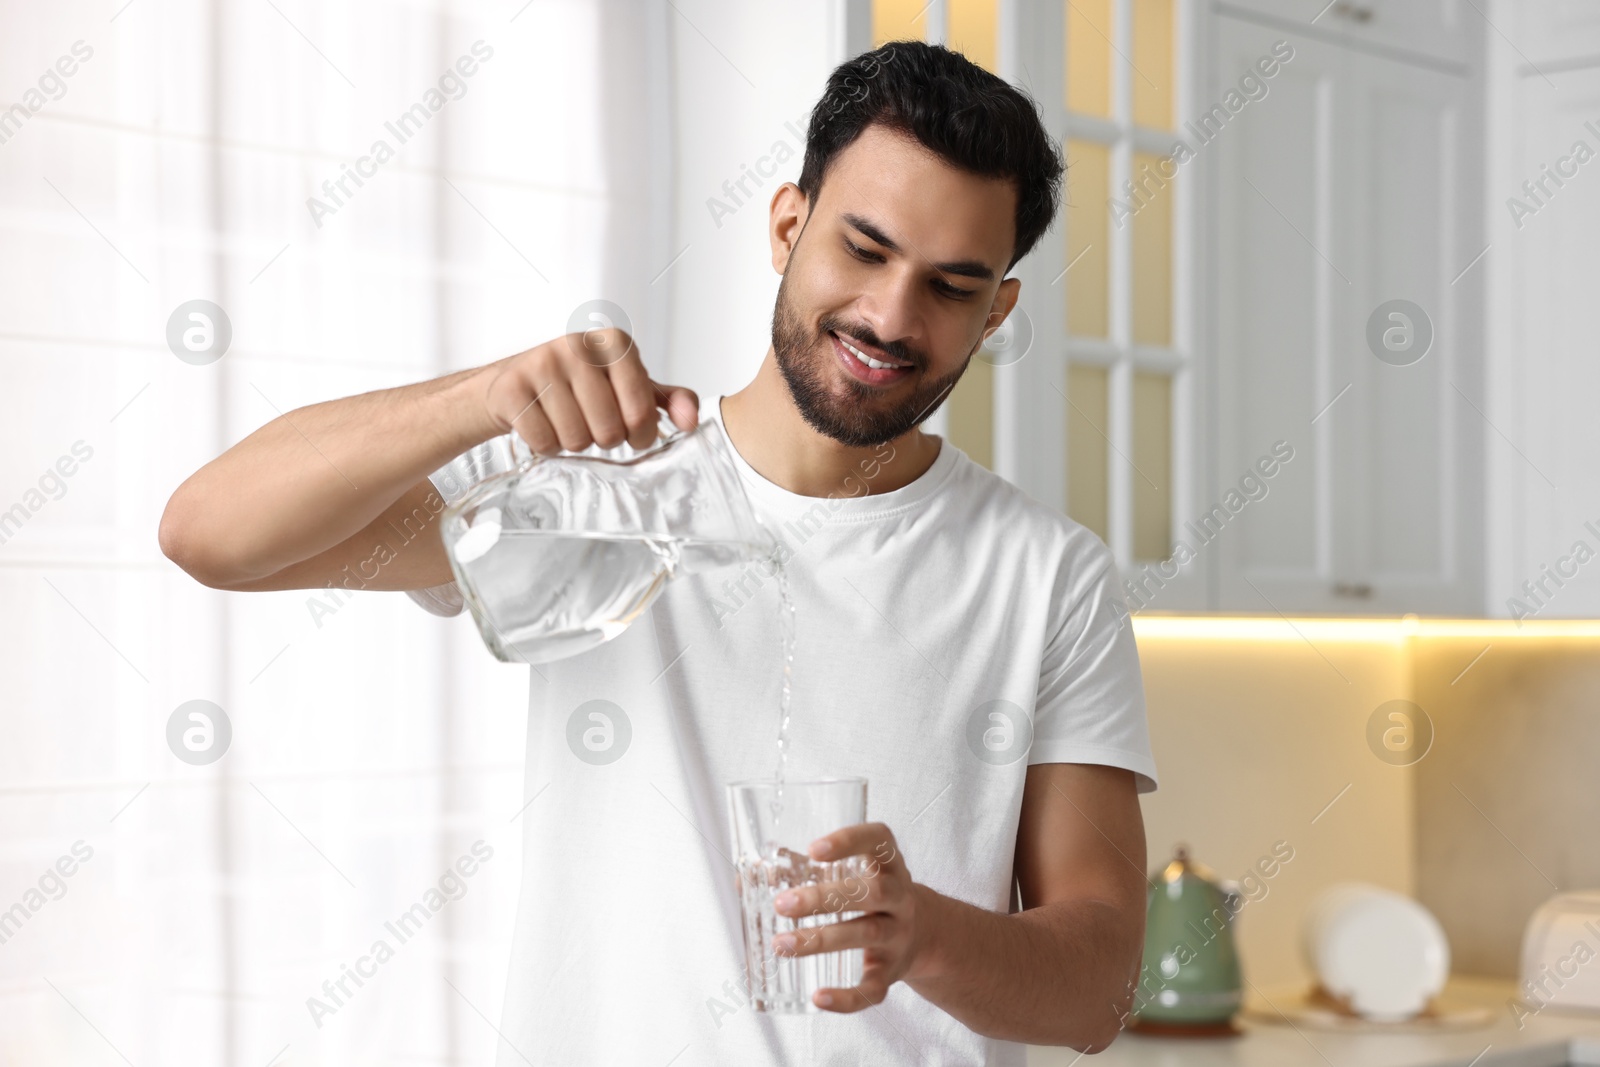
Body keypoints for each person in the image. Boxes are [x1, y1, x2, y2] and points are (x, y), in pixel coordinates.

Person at [160, 39, 1157, 1067]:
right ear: (786, 224)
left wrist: (926, 932)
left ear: (996, 310)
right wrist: (479, 397)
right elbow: (211, 533)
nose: (890, 317)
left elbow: (1096, 991)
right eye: (863, 249)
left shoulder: (1048, 574)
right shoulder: (596, 485)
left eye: (950, 287)